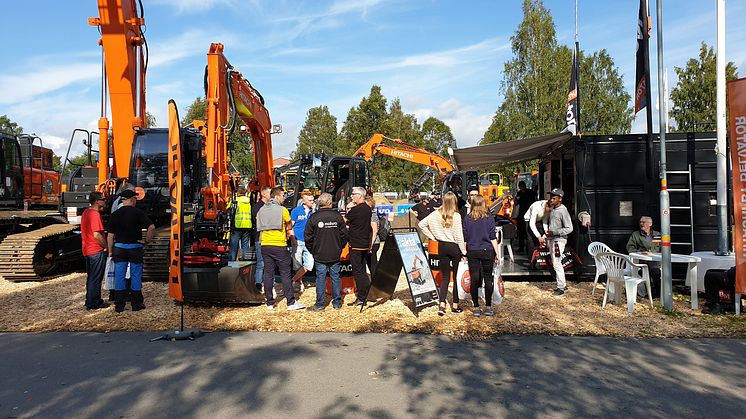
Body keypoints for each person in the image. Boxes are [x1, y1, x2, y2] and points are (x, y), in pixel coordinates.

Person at [256, 186, 305, 310]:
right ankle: (291, 302)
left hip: (265, 244)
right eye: (283, 195)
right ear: (277, 196)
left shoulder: (261, 210)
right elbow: (289, 225)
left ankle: (270, 303)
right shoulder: (282, 210)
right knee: (285, 273)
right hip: (279, 245)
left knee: (268, 273)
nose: (284, 198)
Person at [419, 191, 467, 315]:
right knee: (456, 277)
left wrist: (433, 237)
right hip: (454, 247)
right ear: (454, 201)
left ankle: (442, 304)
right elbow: (459, 236)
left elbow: (421, 224)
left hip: (442, 246)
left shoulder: (435, 214)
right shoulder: (456, 216)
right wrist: (464, 252)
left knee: (445, 277)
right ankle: (455, 305)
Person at [107, 189, 155, 312]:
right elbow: (151, 227)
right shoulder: (138, 213)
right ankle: (137, 303)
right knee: (135, 275)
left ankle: (119, 305)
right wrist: (146, 240)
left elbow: (110, 236)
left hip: (119, 249)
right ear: (132, 199)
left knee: (120, 276)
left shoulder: (115, 214)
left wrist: (110, 251)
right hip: (135, 248)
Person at [304, 193, 348, 311]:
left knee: (321, 278)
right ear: (330, 203)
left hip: (319, 253)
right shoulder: (337, 216)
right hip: (334, 252)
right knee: (335, 277)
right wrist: (340, 247)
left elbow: (307, 237)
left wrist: (313, 250)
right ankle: (337, 303)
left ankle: (320, 304)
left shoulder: (314, 217)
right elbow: (344, 235)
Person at [462, 195, 500, 317]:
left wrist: (464, 253)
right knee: (488, 278)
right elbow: (493, 237)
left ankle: (476, 307)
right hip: (487, 250)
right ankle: (488, 307)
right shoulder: (489, 218)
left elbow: (465, 238)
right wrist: (497, 253)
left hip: (472, 250)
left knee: (474, 278)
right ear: (483, 204)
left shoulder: (467, 218)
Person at [345, 186, 374, 306]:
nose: (351, 196)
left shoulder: (356, 210)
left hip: (356, 244)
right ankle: (366, 293)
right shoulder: (367, 208)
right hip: (364, 243)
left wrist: (348, 207)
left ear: (360, 196)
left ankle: (362, 296)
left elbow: (346, 220)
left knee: (358, 271)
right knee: (362, 270)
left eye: (353, 194)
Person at [81, 191, 109, 310]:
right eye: (103, 199)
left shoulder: (86, 212)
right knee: (96, 277)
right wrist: (106, 246)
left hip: (87, 249)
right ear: (97, 201)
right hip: (96, 250)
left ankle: (90, 300)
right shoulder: (94, 214)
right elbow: (97, 235)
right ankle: (94, 302)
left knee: (91, 277)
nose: (104, 201)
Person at [545, 188, 573, 296]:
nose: (551, 200)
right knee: (556, 262)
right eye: (551, 198)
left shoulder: (563, 211)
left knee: (557, 263)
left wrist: (555, 232)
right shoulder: (554, 209)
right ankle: (562, 285)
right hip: (553, 239)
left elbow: (569, 228)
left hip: (559, 240)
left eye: (554, 198)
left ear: (560, 199)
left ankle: (561, 287)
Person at [626, 215, 662, 298]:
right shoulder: (636, 235)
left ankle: (658, 293)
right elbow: (630, 247)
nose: (641, 224)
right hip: (640, 259)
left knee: (655, 270)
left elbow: (661, 248)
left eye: (643, 222)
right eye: (640, 222)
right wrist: (640, 253)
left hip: (654, 259)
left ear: (650, 224)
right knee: (647, 270)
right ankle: (651, 292)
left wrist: (652, 253)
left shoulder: (657, 234)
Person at [290, 192, 315, 283]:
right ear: (304, 202)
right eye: (310, 200)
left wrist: (314, 210)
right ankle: (300, 283)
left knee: (309, 264)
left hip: (310, 241)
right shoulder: (296, 211)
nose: (312, 202)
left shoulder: (314, 211)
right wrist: (292, 238)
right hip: (298, 240)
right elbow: (290, 226)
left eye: (313, 200)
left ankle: (293, 280)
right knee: (297, 264)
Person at [252, 186, 271, 290]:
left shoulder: (267, 206)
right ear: (264, 194)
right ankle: (258, 284)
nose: (271, 195)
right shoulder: (258, 207)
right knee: (261, 263)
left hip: (266, 237)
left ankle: (266, 283)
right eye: (269, 193)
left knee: (267, 263)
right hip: (260, 237)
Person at [228, 185, 252, 261]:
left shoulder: (235, 201)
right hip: (247, 226)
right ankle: (246, 262)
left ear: (238, 193)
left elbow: (227, 209)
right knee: (245, 246)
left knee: (234, 246)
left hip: (237, 226)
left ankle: (232, 262)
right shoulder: (249, 201)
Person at [513, 180, 536, 252]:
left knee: (528, 232)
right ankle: (521, 247)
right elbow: (516, 203)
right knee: (521, 232)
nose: (522, 188)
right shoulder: (519, 193)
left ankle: (529, 247)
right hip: (522, 214)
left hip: (529, 213)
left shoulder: (530, 192)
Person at [364, 196, 380, 277]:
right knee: (369, 263)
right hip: (369, 242)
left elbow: (375, 231)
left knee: (372, 263)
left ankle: (376, 282)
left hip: (373, 242)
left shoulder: (373, 215)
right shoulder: (367, 215)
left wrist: (370, 244)